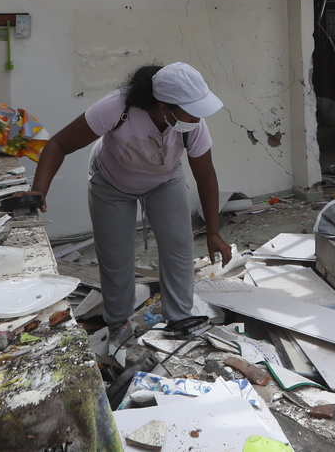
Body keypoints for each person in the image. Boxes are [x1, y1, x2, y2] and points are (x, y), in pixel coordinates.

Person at [30, 62, 232, 340]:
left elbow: (206, 177)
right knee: (116, 256)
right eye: (192, 111)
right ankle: (119, 324)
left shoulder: (191, 125)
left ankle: (180, 318)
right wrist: (39, 191)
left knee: (178, 247)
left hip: (164, 180)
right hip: (111, 181)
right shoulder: (116, 108)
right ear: (163, 106)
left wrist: (213, 232)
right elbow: (59, 145)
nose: (198, 119)